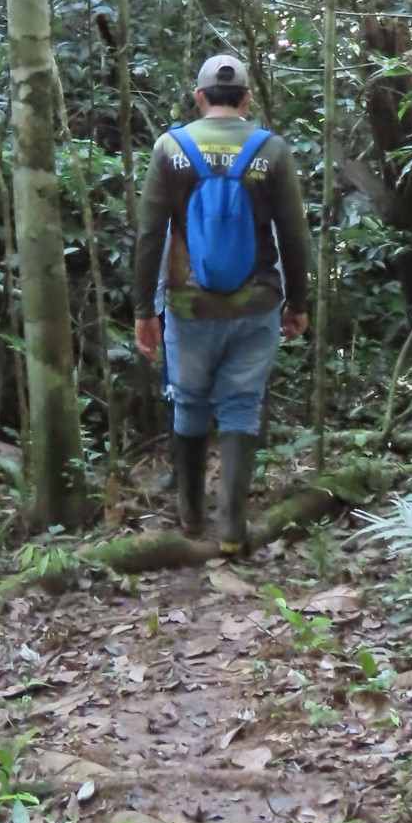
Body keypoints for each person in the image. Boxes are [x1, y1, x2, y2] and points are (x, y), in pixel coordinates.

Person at [133, 55, 311, 554]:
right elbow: (294, 237)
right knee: (241, 404)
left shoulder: (171, 148)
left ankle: (190, 517)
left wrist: (143, 311)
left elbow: (150, 236)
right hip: (256, 305)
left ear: (199, 97)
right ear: (247, 99)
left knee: (189, 401)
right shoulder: (270, 150)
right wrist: (298, 301)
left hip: (189, 307)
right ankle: (232, 529)